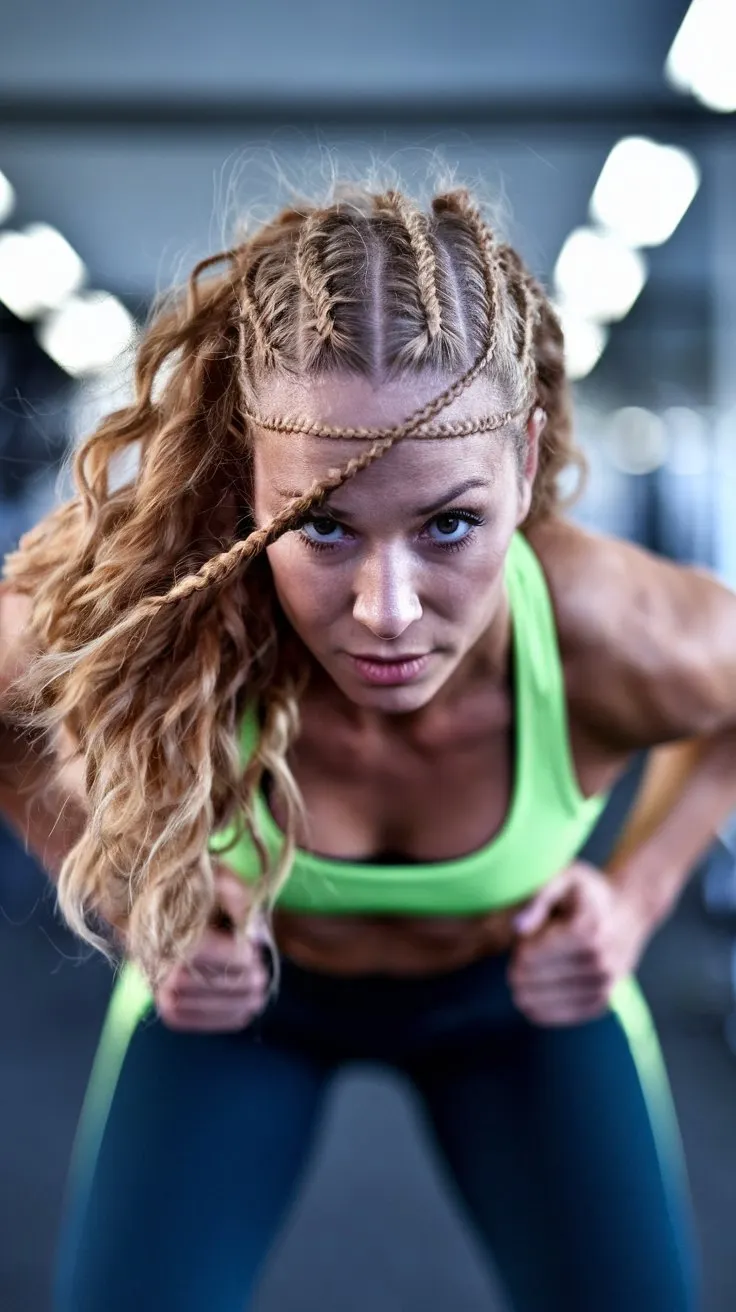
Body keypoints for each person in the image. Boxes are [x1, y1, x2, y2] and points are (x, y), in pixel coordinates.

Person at [1, 180, 735, 1312]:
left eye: (449, 523)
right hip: (236, 1010)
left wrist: (632, 897)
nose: (387, 610)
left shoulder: (614, 631)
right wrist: (120, 894)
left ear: (525, 462)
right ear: (250, 475)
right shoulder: (159, 609)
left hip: (519, 1007)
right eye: (322, 527)